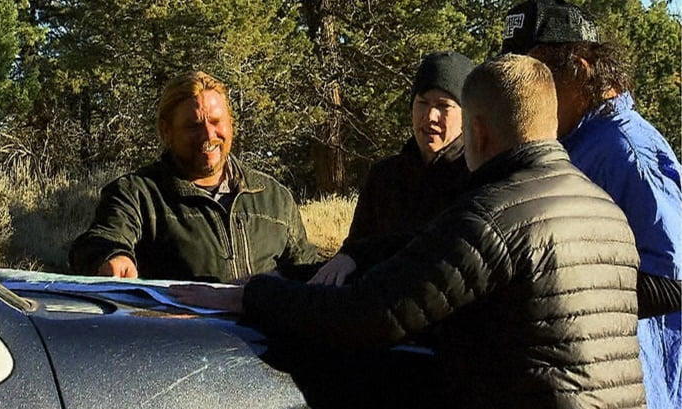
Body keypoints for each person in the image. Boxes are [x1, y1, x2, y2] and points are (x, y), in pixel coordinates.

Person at [172, 54, 646, 408]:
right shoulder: (602, 209)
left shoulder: (492, 216)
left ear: (477, 131)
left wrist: (256, 295)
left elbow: (371, 314)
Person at [501, 2, 682, 407]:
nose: (523, 95)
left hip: (636, 384)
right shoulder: (569, 143)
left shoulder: (627, 151)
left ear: (580, 69)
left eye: (536, 76)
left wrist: (558, 294)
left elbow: (673, 278)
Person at [69, 71, 320, 282]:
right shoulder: (137, 194)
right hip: (179, 327)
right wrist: (112, 257)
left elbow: (307, 271)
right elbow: (100, 240)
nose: (208, 135)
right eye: (193, 126)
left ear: (231, 123)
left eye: (216, 121)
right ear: (166, 131)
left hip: (260, 328)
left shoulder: (273, 197)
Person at [310, 51, 474, 286]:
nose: (430, 116)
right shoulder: (384, 177)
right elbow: (348, 258)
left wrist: (361, 254)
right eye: (422, 103)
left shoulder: (475, 177)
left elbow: (441, 249)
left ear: (466, 115)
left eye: (443, 106)